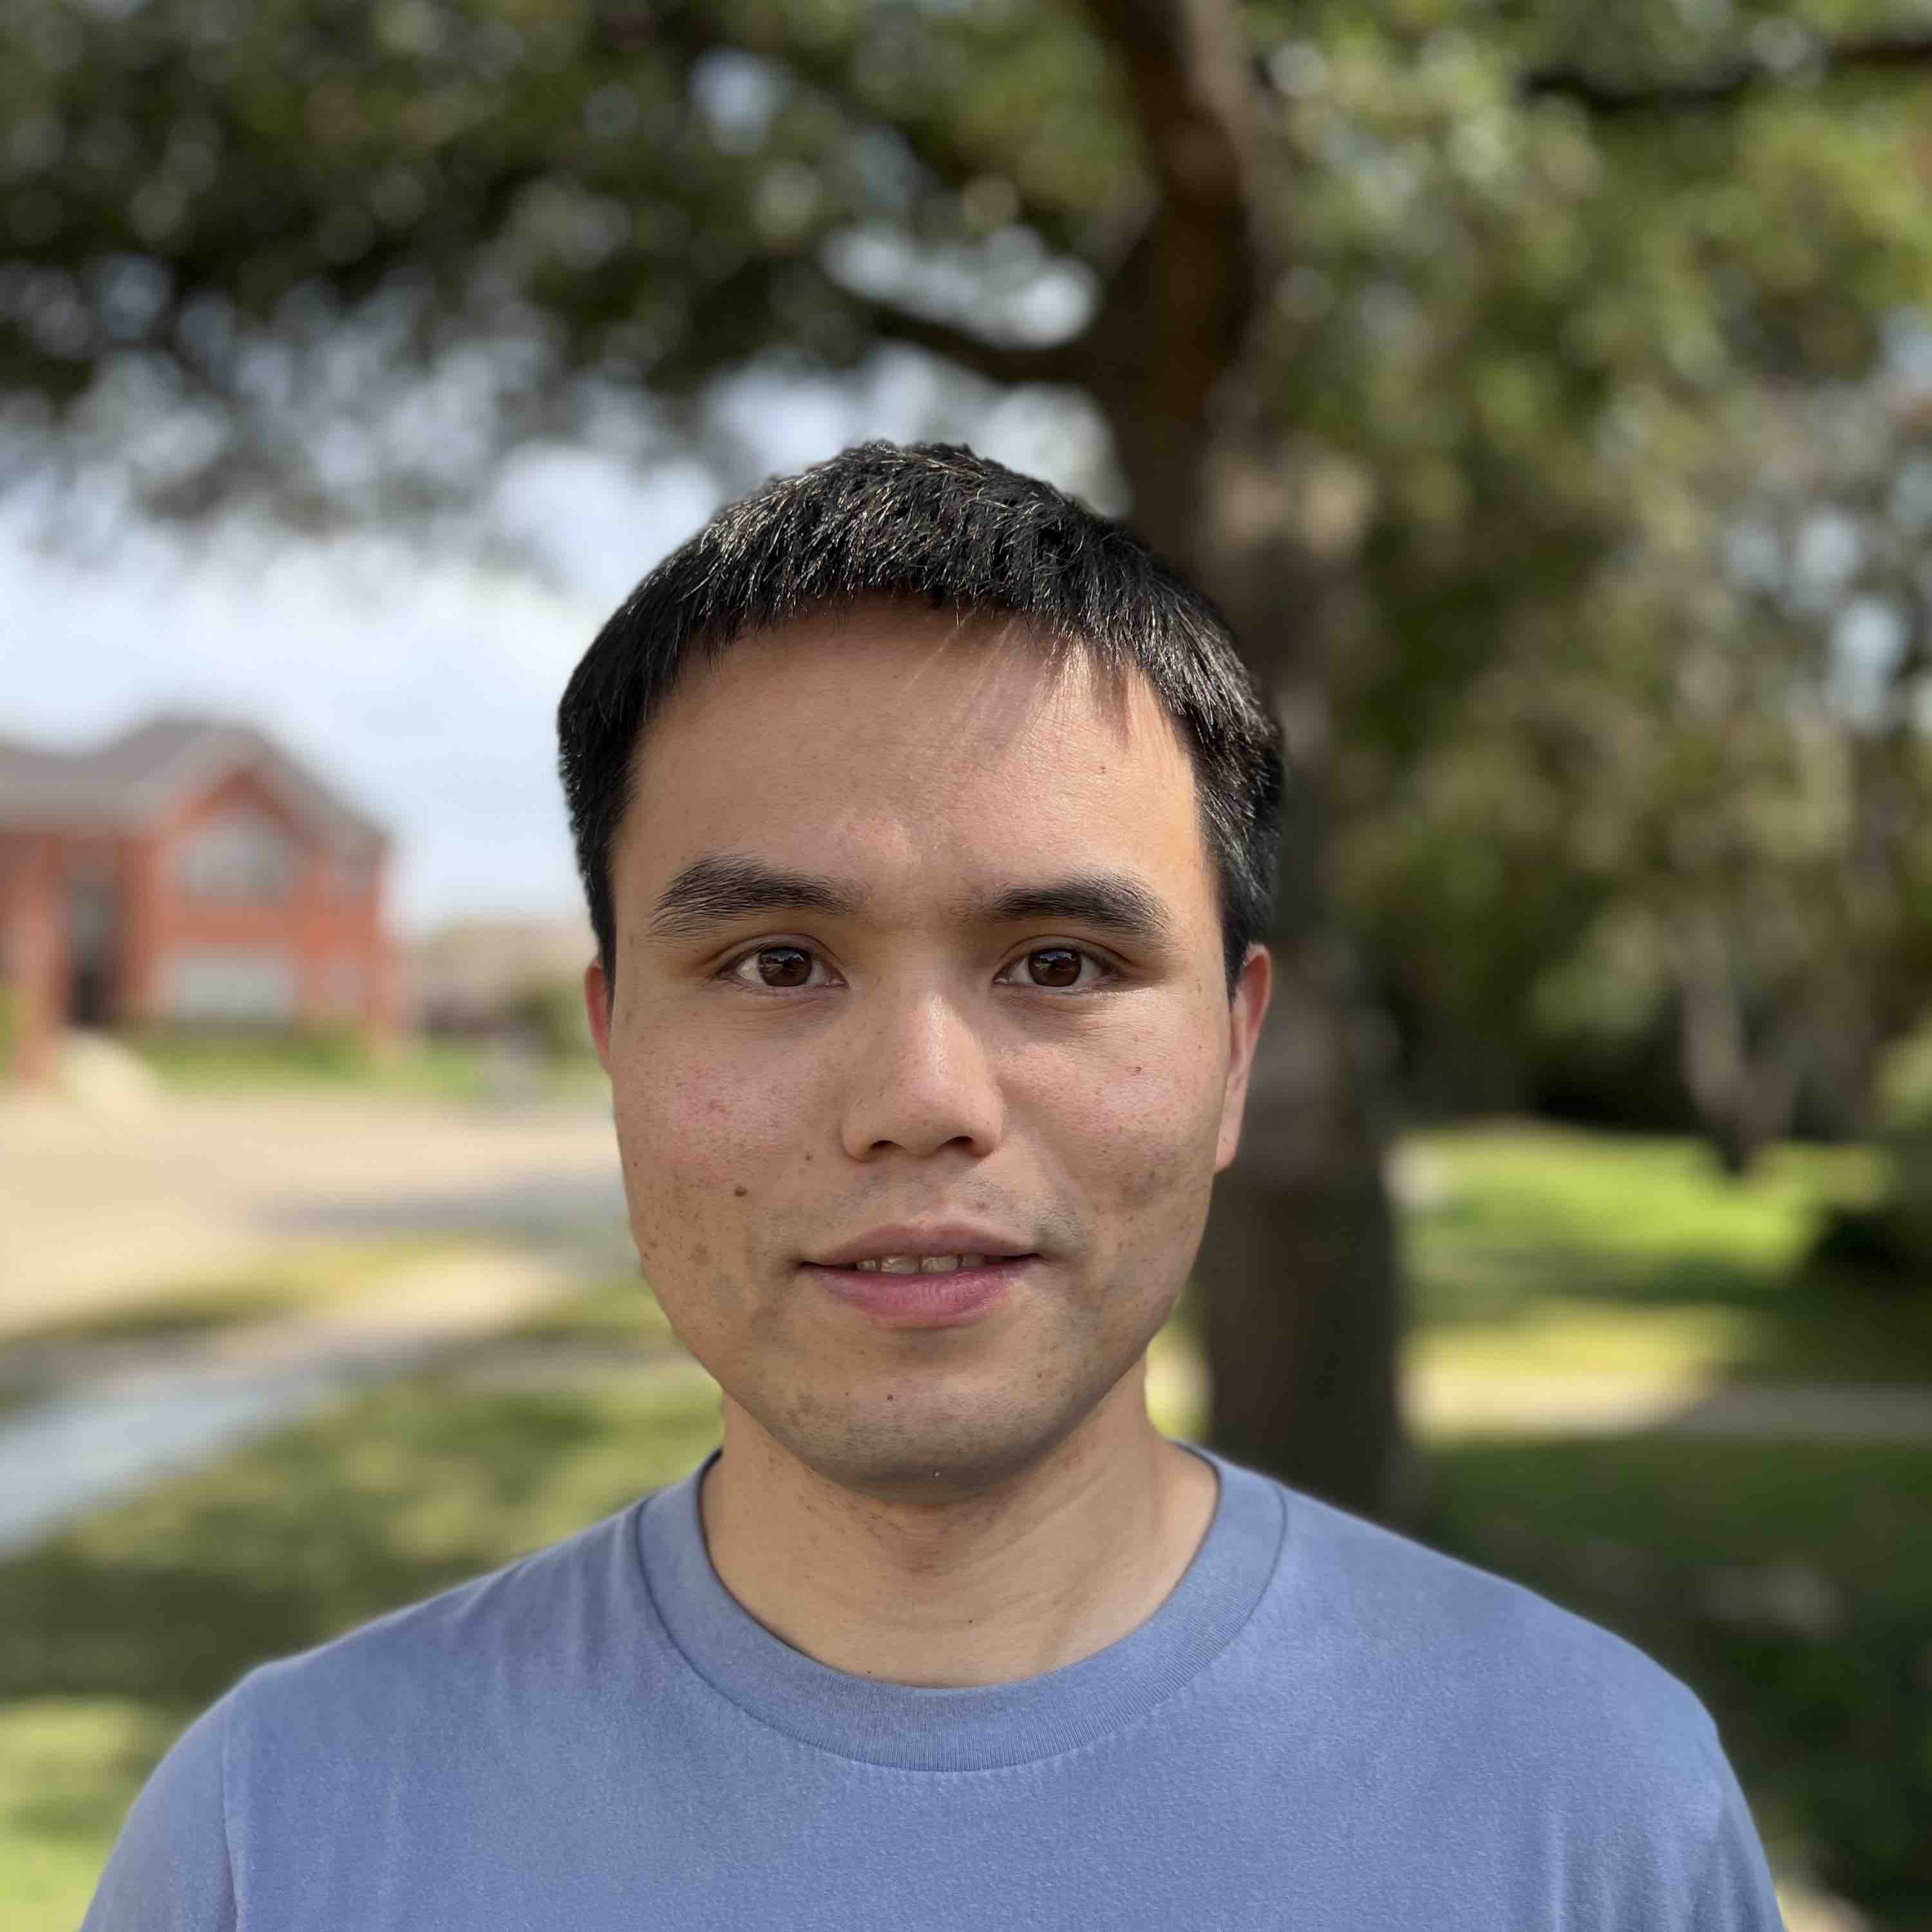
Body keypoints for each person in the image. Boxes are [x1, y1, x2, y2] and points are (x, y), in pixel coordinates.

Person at [84, 442, 1785, 1929]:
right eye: (774, 964)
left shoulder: (1593, 1811)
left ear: (1232, 1053)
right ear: (615, 1045)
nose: (920, 1102)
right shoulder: (273, 1839)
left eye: (1058, 963)